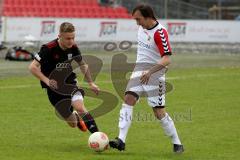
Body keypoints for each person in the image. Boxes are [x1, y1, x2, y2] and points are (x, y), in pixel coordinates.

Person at [109, 4, 184, 153]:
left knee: (158, 113)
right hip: (139, 70)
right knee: (128, 99)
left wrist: (150, 72)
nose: (137, 23)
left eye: (139, 19)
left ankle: (177, 143)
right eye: (135, 20)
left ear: (148, 17)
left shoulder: (160, 33)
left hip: (155, 75)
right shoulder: (141, 27)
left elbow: (167, 59)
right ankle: (121, 140)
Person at [29, 22, 100, 133]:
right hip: (53, 89)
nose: (71, 41)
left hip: (70, 83)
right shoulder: (48, 49)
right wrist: (47, 80)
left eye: (73, 38)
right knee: (72, 123)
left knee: (80, 107)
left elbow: (83, 64)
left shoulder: (74, 48)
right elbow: (33, 67)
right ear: (59, 36)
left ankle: (97, 135)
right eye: (68, 38)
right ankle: (75, 118)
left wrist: (91, 83)